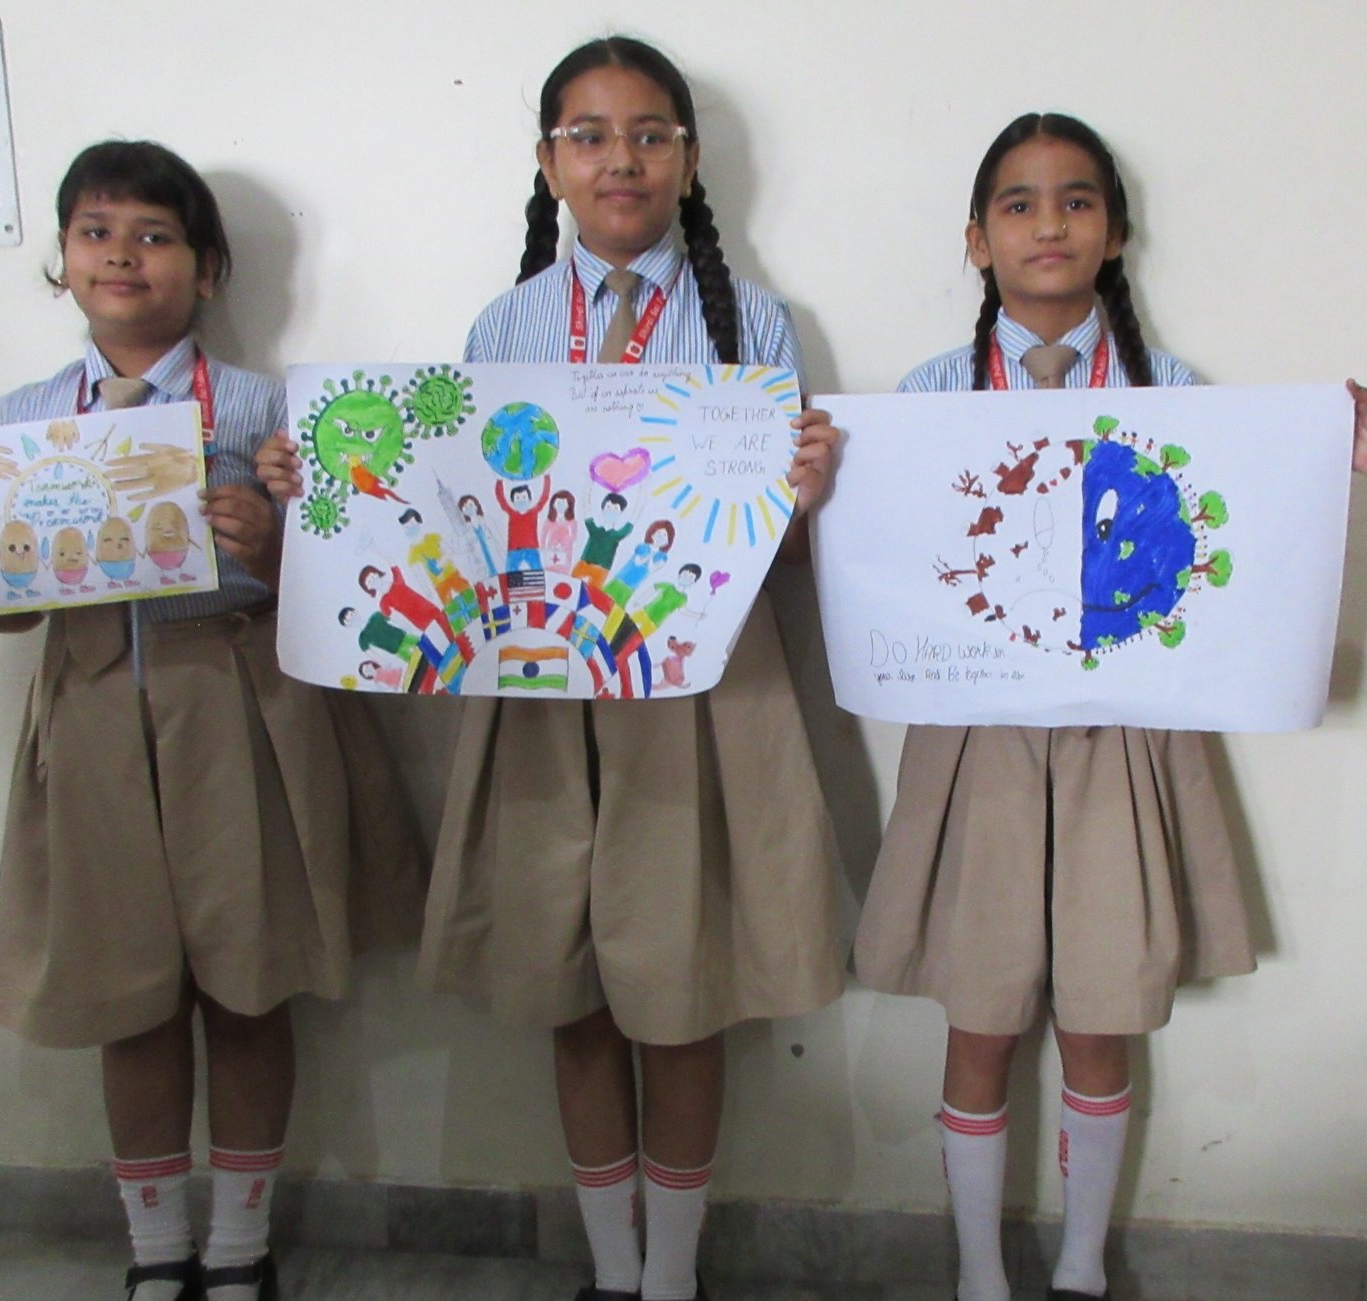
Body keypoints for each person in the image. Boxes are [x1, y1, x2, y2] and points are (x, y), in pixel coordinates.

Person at [260, 36, 843, 1301]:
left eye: (648, 134)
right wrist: (329, 484)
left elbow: (785, 554)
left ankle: (672, 1276)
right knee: (567, 983)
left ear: (689, 159)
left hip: (696, 694)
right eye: (589, 135)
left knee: (681, 988)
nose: (619, 158)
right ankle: (612, 1269)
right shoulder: (506, 322)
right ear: (547, 160)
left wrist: (807, 496)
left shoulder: (753, 322)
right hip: (535, 689)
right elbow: (450, 506)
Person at [851, 112, 1367, 1301]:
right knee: (979, 1012)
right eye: (1017, 203)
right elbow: (888, 555)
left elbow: (1228, 534)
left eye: (1076, 201)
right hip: (977, 736)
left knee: (1101, 1009)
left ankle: (1079, 1269)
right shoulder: (926, 393)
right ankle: (976, 1275)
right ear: (976, 238)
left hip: (1128, 732)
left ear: (1113, 232)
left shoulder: (1174, 392)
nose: (1048, 224)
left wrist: (1317, 462)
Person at [0, 140, 420, 1301]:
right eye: (96, 231)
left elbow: (363, 579)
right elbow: (6, 606)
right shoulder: (18, 424)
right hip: (88, 712)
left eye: (155, 235)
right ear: (63, 259)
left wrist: (278, 542)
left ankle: (240, 1246)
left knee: (249, 985)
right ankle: (156, 1248)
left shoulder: (268, 410)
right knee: (129, 993)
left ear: (206, 269)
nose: (123, 254)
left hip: (240, 706)